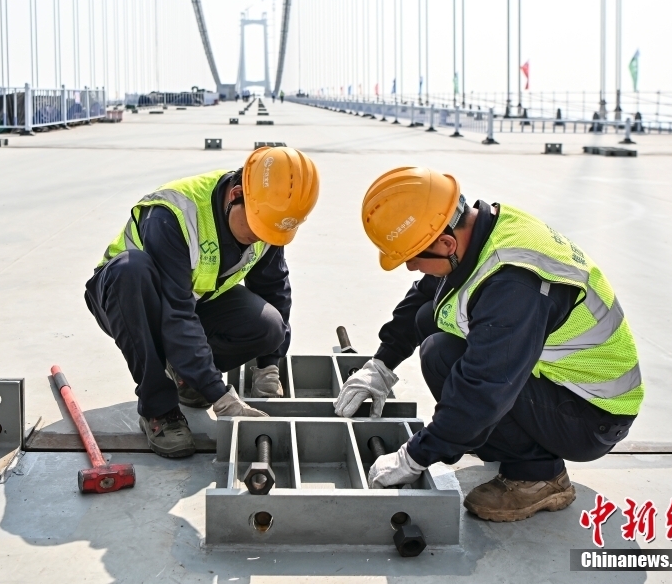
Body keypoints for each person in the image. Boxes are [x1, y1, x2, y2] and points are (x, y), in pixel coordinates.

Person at [335, 167, 643, 522]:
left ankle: (538, 475)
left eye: (413, 257)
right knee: (429, 320)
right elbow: (425, 295)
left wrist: (415, 456)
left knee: (444, 358)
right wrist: (382, 364)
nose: (410, 267)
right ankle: (512, 441)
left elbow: (483, 388)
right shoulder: (482, 233)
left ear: (446, 244)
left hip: (592, 414)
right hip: (559, 387)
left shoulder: (515, 286)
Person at [86, 147, 320, 458]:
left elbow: (274, 288)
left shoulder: (268, 222)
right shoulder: (174, 214)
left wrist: (269, 365)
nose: (261, 237)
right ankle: (158, 408)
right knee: (132, 269)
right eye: (258, 227)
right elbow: (176, 313)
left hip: (194, 299)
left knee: (269, 326)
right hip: (128, 299)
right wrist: (218, 394)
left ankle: (186, 375)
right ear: (236, 195)